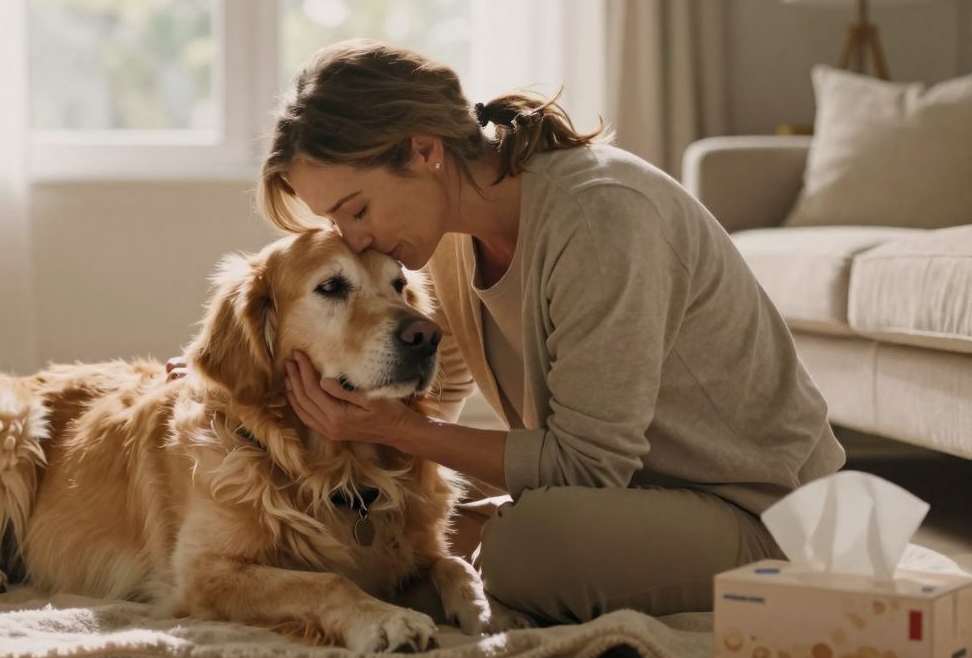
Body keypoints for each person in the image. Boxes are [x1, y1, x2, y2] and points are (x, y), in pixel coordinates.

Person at [177, 38, 844, 626]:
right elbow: (442, 387)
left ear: (425, 151)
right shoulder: (438, 239)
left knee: (524, 550)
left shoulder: (601, 218)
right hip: (643, 497)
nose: (353, 238)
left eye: (355, 209)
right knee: (405, 538)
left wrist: (396, 433)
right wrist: (239, 392)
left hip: (769, 514)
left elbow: (588, 466)